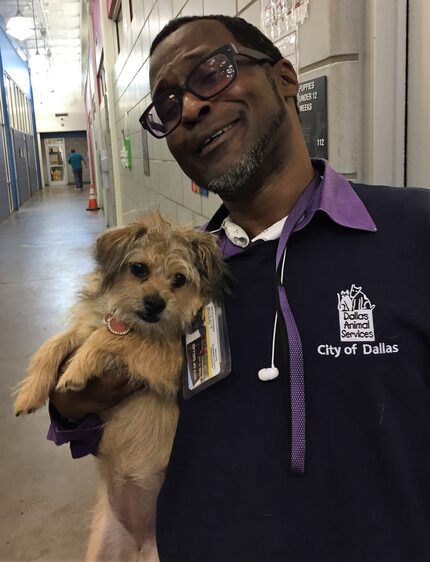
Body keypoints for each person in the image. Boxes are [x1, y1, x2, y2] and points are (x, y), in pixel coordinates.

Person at [48, 15, 430, 562]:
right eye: (169, 103)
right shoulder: (179, 281)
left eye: (214, 71)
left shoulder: (414, 232)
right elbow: (95, 428)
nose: (194, 106)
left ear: (284, 77)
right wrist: (71, 408)